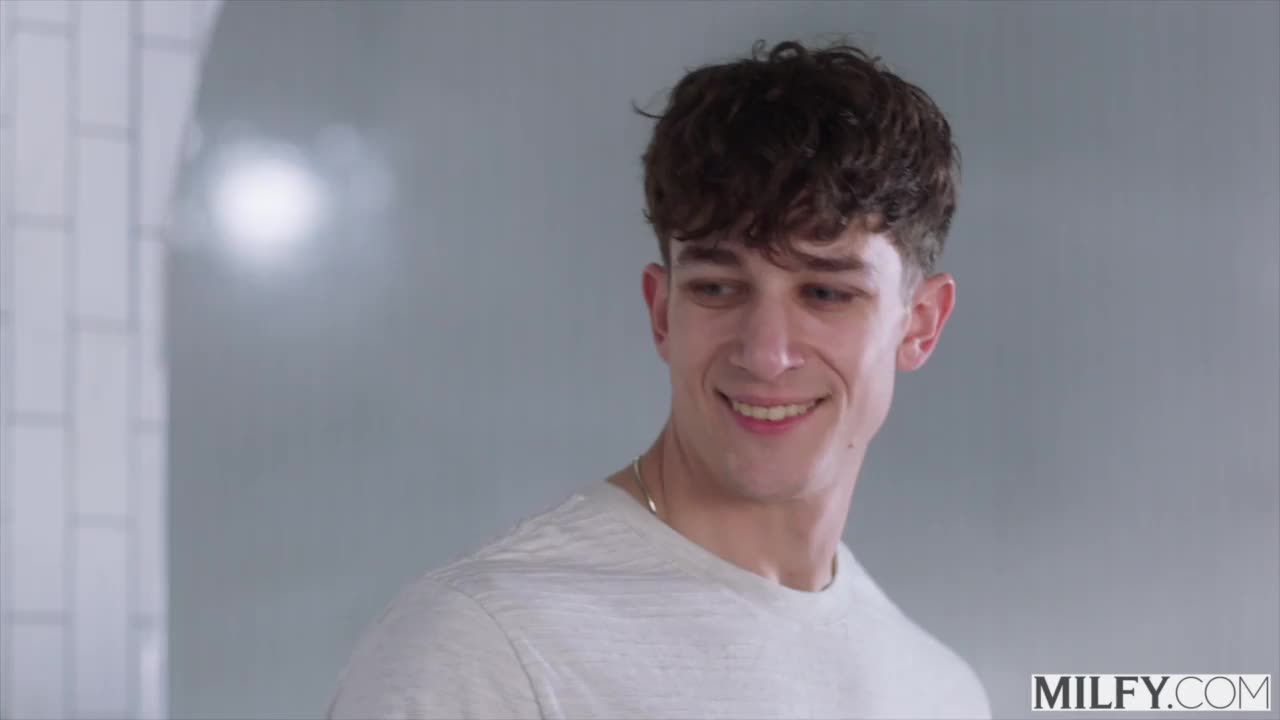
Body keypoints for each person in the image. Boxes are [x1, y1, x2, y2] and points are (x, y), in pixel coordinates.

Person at [326, 37, 991, 720]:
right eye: (717, 287)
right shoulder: (484, 649)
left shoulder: (940, 693)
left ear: (920, 325)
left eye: (826, 294)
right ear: (661, 311)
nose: (765, 354)